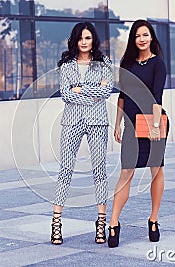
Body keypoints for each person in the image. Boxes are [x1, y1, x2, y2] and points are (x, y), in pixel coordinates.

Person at [51, 22, 114, 245]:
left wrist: (81, 89)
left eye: (87, 38)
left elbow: (106, 92)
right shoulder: (67, 65)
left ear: (93, 40)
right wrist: (92, 92)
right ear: (75, 40)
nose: (84, 42)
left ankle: (101, 224)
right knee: (65, 170)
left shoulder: (104, 63)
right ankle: (56, 223)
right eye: (80, 38)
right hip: (71, 122)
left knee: (100, 171)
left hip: (98, 122)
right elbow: (66, 96)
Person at [108, 19, 169, 248]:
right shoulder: (128, 63)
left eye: (145, 35)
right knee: (126, 172)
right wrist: (117, 124)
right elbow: (121, 96)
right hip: (131, 124)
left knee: (156, 170)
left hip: (153, 123)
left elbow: (157, 97)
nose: (141, 39)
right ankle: (114, 222)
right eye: (137, 36)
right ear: (133, 39)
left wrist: (154, 127)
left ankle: (153, 219)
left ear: (151, 37)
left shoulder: (158, 64)